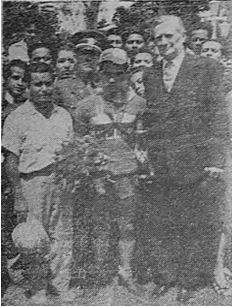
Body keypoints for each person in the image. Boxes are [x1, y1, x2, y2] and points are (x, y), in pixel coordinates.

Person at [135, 15, 230, 303]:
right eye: (158, 38)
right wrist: (147, 155)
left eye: (168, 36)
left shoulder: (207, 67)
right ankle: (167, 277)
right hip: (162, 162)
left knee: (194, 221)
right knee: (165, 220)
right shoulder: (150, 75)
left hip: (196, 160)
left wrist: (216, 160)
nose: (163, 43)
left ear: (183, 36)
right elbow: (151, 119)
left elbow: (217, 116)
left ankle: (189, 281)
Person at [2, 63, 75, 304]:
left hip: (60, 181)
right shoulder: (17, 117)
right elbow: (10, 160)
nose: (43, 89)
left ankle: (60, 285)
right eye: (37, 84)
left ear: (54, 83)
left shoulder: (63, 115)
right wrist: (19, 196)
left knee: (62, 235)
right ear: (29, 86)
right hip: (31, 183)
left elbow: (71, 151)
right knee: (34, 238)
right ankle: (38, 288)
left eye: (47, 83)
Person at [74, 48, 146, 292]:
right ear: (99, 74)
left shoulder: (139, 104)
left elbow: (144, 141)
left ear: (127, 74)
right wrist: (91, 167)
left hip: (128, 175)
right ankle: (99, 274)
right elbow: (77, 144)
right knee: (100, 226)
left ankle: (126, 272)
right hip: (99, 178)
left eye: (118, 74)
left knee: (127, 225)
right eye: (107, 74)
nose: (112, 79)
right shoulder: (86, 106)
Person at [2, 59, 29, 124]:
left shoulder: (28, 104)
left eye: (24, 80)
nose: (20, 83)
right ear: (6, 78)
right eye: (15, 78)